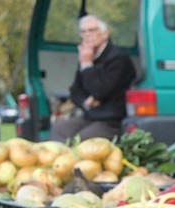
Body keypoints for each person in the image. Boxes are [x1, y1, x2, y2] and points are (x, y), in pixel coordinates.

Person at [50, 15, 136, 143]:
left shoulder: (118, 58)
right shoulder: (88, 56)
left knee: (80, 141)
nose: (87, 35)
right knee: (59, 130)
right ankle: (56, 162)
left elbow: (99, 91)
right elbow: (74, 91)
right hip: (90, 116)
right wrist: (86, 102)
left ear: (105, 34)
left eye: (91, 30)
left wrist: (87, 65)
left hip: (112, 121)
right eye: (83, 32)